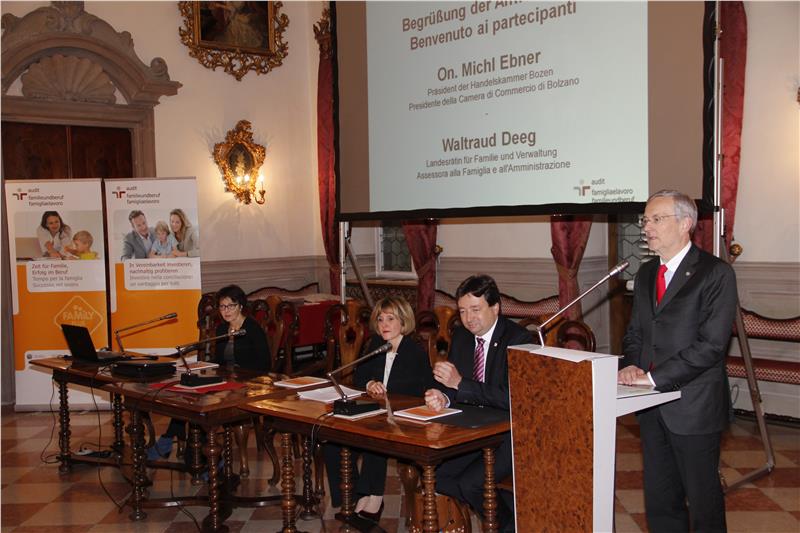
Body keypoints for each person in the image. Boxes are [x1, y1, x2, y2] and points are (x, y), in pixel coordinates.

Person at [618, 190, 737, 533]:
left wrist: (655, 378)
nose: (647, 227)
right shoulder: (646, 273)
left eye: (656, 219)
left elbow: (711, 346)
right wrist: (631, 364)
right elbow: (636, 332)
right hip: (651, 406)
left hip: (693, 406)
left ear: (686, 223)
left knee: (703, 503)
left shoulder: (715, 273)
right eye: (645, 220)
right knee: (660, 500)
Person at [424, 274, 532, 531]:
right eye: (462, 311)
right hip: (471, 430)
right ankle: (509, 511)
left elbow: (513, 398)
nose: (468, 318)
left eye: (475, 309)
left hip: (509, 434)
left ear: (495, 308)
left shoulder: (519, 340)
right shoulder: (462, 337)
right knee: (436, 476)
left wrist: (460, 384)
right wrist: (443, 396)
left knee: (470, 483)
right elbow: (454, 387)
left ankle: (509, 525)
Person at [324, 296, 433, 523]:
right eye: (380, 319)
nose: (384, 324)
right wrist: (370, 383)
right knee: (332, 441)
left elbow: (418, 389)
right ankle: (352, 496)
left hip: (403, 418)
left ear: (403, 321)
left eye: (390, 319)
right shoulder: (376, 343)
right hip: (376, 411)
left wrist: (386, 390)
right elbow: (361, 376)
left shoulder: (414, 351)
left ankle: (373, 496)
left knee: (375, 438)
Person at [148, 284, 269, 460]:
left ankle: (201, 453)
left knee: (204, 403)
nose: (226, 311)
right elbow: (219, 360)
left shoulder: (252, 329)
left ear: (241, 306)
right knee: (189, 396)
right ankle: (180, 442)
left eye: (230, 306)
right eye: (222, 307)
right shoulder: (222, 330)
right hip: (225, 381)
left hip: (246, 384)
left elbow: (264, 364)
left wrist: (237, 373)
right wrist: (201, 367)